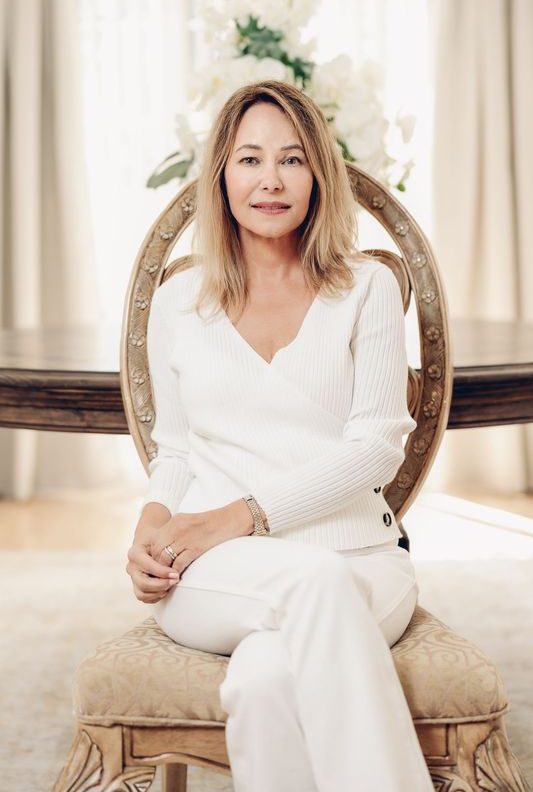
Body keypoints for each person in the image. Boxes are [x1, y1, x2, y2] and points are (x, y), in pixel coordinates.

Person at [126, 80, 434, 792]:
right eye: (249, 160)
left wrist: (238, 517)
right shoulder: (178, 301)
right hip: (217, 573)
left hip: (358, 557)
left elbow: (376, 447)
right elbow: (175, 450)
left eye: (292, 160)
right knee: (304, 600)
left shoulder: (366, 288)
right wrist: (149, 527)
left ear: (318, 176)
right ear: (221, 177)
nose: (270, 180)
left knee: (265, 681)